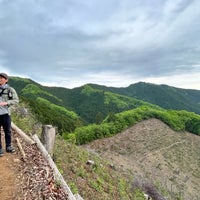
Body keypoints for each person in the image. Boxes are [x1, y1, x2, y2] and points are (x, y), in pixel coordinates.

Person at [0, 73, 19, 156]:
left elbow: (16, 100)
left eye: (2, 78)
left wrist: (6, 102)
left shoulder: (10, 90)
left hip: (6, 114)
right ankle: (0, 148)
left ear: (6, 80)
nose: (0, 79)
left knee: (7, 131)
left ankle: (8, 146)